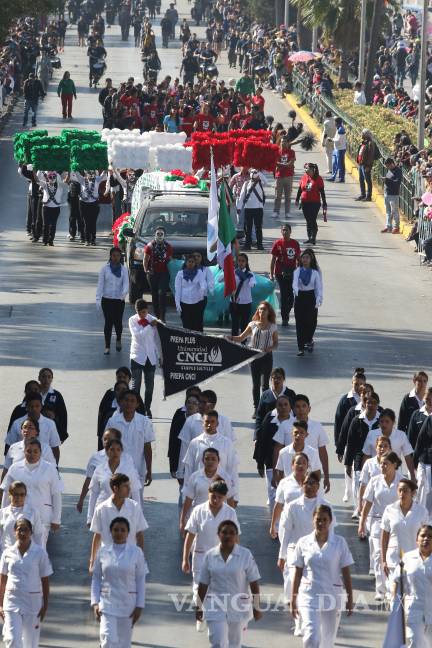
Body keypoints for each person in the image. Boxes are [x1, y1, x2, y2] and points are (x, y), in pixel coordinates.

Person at [291, 505, 353, 648]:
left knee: (327, 641)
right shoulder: (303, 542)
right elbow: (298, 572)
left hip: (332, 596)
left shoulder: (339, 542)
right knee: (311, 638)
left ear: (330, 521)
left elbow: (346, 572)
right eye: (318, 519)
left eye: (325, 520)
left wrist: (350, 598)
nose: (321, 523)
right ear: (313, 520)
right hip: (309, 596)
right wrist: (293, 599)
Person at [196, 520, 262, 644]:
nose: (228, 536)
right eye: (224, 532)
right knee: (218, 641)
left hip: (238, 607)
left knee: (234, 643)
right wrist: (199, 607)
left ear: (236, 536)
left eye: (232, 533)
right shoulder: (209, 556)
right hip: (215, 607)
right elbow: (203, 583)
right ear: (218, 534)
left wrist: (257, 607)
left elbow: (254, 582)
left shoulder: (245, 555)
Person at [91, 517, 148, 648]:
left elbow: (140, 579)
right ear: (110, 532)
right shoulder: (103, 552)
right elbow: (96, 578)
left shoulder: (136, 552)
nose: (119, 533)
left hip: (127, 605)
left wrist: (140, 605)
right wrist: (95, 603)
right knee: (107, 640)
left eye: (123, 530)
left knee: (123, 643)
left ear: (128, 533)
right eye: (116, 530)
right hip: (107, 603)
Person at [182, 481, 240, 606]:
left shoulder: (230, 512)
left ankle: (213, 621)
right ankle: (200, 617)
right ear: (208, 493)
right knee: (199, 590)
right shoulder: (198, 510)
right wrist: (185, 558)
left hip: (222, 558)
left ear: (225, 497)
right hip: (201, 556)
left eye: (220, 497)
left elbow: (235, 537)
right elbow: (190, 535)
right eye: (213, 496)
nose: (216, 499)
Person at [1, 439, 62, 549]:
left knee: (38, 550)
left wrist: (56, 519)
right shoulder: (14, 468)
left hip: (42, 516)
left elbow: (56, 494)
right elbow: (6, 493)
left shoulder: (50, 469)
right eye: (29, 451)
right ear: (24, 452)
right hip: (18, 517)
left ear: (40, 452)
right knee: (14, 550)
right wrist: (3, 514)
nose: (32, 454)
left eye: (35, 451)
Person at [0, 518, 52, 647]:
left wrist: (45, 604)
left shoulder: (40, 553)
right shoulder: (7, 553)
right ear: (14, 532)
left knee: (30, 643)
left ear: (31, 532)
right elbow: (2, 580)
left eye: (26, 530)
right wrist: (0, 604)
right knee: (12, 640)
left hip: (33, 603)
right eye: (19, 529)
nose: (22, 533)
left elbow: (45, 580)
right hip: (12, 601)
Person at [358, 452, 401, 600]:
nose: (382, 466)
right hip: (377, 522)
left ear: (394, 465)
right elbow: (367, 503)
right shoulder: (375, 481)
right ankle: (380, 589)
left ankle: (391, 588)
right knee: (378, 555)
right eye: (381, 463)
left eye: (385, 463)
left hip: (396, 524)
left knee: (391, 555)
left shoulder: (402, 482)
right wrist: (362, 523)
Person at [228, 301, 278, 417]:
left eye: (264, 309)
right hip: (254, 357)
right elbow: (241, 338)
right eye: (260, 309)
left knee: (265, 384)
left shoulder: (273, 326)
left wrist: (269, 348)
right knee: (256, 384)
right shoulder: (252, 325)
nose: (262, 311)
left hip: (267, 357)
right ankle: (256, 408)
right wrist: (228, 338)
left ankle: (265, 407)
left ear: (268, 312)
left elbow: (276, 344)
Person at [90, 474, 148, 570]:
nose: (129, 489)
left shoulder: (135, 507)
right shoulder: (101, 509)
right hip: (107, 562)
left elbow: (139, 534)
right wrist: (92, 561)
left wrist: (140, 559)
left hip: (130, 561)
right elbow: (97, 536)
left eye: (129, 485)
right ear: (115, 488)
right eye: (125, 486)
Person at [381, 479, 429, 585]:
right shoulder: (389, 510)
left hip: (415, 561)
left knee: (411, 596)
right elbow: (384, 536)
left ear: (413, 493)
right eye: (400, 490)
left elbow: (428, 537)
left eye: (405, 491)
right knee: (393, 596)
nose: (402, 493)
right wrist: (383, 560)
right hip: (393, 560)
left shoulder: (422, 511)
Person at [392, 525, 432, 648]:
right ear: (417, 539)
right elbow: (397, 580)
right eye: (423, 535)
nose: (426, 539)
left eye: (430, 536)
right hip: (414, 610)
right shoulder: (408, 557)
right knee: (415, 643)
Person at [106, 390, 155, 489]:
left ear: (137, 404)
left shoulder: (144, 422)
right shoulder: (113, 421)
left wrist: (149, 470)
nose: (129, 403)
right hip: (117, 471)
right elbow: (107, 446)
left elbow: (147, 447)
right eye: (126, 400)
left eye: (132, 401)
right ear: (121, 402)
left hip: (137, 470)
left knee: (136, 503)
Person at [180, 449, 236, 534]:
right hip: (198, 520)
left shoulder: (226, 478)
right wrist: (182, 521)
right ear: (203, 460)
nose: (210, 461)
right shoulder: (194, 477)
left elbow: (230, 500)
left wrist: (232, 522)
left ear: (218, 461)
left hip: (219, 521)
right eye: (207, 458)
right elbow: (188, 500)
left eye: (213, 459)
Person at [253, 395, 295, 509]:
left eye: (286, 404)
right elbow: (262, 442)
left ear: (291, 407)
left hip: (290, 466)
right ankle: (274, 522)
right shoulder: (269, 420)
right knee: (273, 495)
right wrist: (260, 463)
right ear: (276, 407)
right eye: (280, 405)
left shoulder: (295, 424)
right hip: (271, 464)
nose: (283, 407)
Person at [87, 439, 142, 523]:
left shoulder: (129, 469)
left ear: (121, 452)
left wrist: (138, 517)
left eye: (118, 449)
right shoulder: (99, 469)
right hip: (103, 513)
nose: (115, 452)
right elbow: (94, 493)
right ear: (107, 451)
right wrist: (90, 518)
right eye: (112, 449)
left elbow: (135, 493)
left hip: (124, 513)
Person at [6, 392, 61, 463]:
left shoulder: (50, 424)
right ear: (26, 407)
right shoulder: (17, 423)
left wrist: (55, 467)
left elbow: (55, 448)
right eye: (31, 406)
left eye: (37, 406)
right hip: (21, 464)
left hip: (43, 466)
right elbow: (9, 445)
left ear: (41, 406)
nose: (34, 409)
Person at [362, 408, 415, 480]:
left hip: (396, 476)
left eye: (387, 421)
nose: (384, 424)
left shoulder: (401, 435)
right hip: (375, 474)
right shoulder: (371, 434)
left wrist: (412, 475)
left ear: (393, 422)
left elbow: (408, 456)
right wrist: (363, 476)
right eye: (382, 421)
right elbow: (366, 456)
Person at [128, 299, 159, 417]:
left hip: (150, 357)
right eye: (140, 313)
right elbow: (137, 335)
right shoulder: (132, 320)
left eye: (144, 312)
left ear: (147, 310)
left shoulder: (152, 319)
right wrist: (149, 326)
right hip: (137, 355)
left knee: (150, 385)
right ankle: (134, 409)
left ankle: (147, 408)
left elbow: (157, 338)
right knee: (136, 386)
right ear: (137, 312)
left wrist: (160, 355)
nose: (143, 315)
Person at [96, 247, 129, 355]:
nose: (116, 258)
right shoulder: (104, 269)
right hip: (107, 299)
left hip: (119, 300)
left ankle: (118, 339)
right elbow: (100, 285)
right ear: (110, 256)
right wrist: (98, 298)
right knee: (108, 323)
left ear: (120, 257)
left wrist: (123, 294)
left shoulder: (124, 269)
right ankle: (107, 346)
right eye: (114, 256)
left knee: (118, 322)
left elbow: (126, 284)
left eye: (118, 256)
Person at [269, 452, 309, 541]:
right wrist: (273, 526)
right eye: (298, 463)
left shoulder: (312, 483)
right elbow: (278, 505)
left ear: (307, 466)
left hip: (307, 527)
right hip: (288, 526)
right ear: (292, 465)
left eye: (304, 463)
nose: (301, 466)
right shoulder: (284, 482)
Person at [293, 249, 323, 356]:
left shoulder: (315, 272)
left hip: (311, 297)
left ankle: (309, 339)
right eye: (303, 258)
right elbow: (295, 283)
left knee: (311, 321)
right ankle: (300, 347)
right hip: (300, 297)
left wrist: (319, 298)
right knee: (299, 322)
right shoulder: (297, 271)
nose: (305, 260)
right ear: (300, 259)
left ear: (311, 260)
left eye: (307, 258)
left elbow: (318, 287)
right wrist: (296, 290)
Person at [270, 224, 301, 327]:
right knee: (283, 294)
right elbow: (273, 260)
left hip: (292, 272)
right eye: (283, 230)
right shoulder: (277, 243)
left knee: (291, 296)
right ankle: (284, 318)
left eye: (287, 230)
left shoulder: (295, 243)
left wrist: (299, 272)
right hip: (280, 272)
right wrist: (271, 274)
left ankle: (286, 312)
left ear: (290, 231)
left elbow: (298, 259)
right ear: (281, 231)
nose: (285, 232)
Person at [0, 481, 43, 550]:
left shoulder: (33, 512)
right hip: (7, 556)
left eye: (22, 494)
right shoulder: (2, 513)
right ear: (9, 495)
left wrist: (39, 556)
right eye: (15, 494)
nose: (18, 497)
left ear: (25, 495)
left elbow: (38, 536)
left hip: (28, 555)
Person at [143, 226, 173, 322]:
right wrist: (146, 270)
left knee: (162, 293)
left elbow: (170, 260)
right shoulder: (149, 246)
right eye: (158, 234)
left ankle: (162, 316)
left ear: (164, 235)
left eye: (161, 234)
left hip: (164, 273)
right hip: (152, 273)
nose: (159, 236)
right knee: (154, 294)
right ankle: (157, 315)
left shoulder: (168, 247)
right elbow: (145, 259)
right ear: (155, 235)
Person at [70, 170, 107, 246]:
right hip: (84, 204)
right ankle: (87, 240)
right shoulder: (82, 179)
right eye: (89, 173)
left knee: (93, 222)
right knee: (86, 222)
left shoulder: (97, 179)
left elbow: (104, 173)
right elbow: (76, 172)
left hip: (94, 204)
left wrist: (107, 165)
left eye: (92, 173)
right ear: (86, 174)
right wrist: (74, 165)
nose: (91, 175)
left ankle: (93, 239)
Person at [295, 163, 327, 246]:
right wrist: (297, 199)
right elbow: (300, 189)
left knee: (312, 219)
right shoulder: (304, 177)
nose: (306, 170)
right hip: (305, 202)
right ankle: (309, 237)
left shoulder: (318, 179)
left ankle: (313, 237)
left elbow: (322, 192)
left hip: (315, 203)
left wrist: (324, 203)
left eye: (308, 169)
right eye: (305, 169)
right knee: (308, 220)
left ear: (313, 170)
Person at [35, 171, 68, 247]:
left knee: (53, 225)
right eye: (50, 177)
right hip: (46, 208)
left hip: (55, 209)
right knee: (45, 225)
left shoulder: (60, 185)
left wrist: (69, 172)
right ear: (48, 178)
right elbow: (36, 180)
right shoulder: (45, 184)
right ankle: (45, 241)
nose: (52, 179)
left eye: (54, 177)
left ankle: (51, 241)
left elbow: (66, 181)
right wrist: (34, 170)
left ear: (56, 178)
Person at [174, 254, 207, 332]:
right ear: (185, 262)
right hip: (184, 303)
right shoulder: (180, 274)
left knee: (197, 325)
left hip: (197, 302)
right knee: (187, 326)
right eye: (189, 261)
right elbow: (177, 289)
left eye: (193, 262)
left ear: (195, 263)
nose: (191, 263)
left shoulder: (199, 273)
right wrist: (177, 303)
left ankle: (198, 342)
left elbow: (203, 283)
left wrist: (202, 289)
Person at [38, 368, 68, 443]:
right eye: (43, 376)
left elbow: (63, 415)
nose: (46, 379)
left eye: (49, 377)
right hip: (35, 431)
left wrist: (62, 434)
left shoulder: (56, 395)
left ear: (52, 379)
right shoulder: (34, 393)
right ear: (39, 378)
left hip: (51, 431)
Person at [229, 253, 256, 337]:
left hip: (246, 302)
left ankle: (243, 345)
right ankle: (233, 344)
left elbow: (253, 283)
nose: (241, 263)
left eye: (243, 261)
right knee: (234, 325)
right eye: (239, 261)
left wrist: (250, 281)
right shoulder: (234, 272)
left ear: (246, 262)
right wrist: (228, 272)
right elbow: (219, 280)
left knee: (244, 325)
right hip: (234, 302)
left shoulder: (250, 274)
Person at [239, 169, 266, 250]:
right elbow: (242, 195)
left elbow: (266, 181)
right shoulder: (246, 183)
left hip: (258, 208)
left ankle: (259, 244)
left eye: (255, 172)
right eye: (252, 172)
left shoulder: (261, 183)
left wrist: (260, 173)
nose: (253, 174)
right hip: (248, 208)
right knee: (248, 228)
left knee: (258, 228)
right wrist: (239, 207)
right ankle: (248, 244)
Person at [273, 135, 296, 220]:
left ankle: (287, 212)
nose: (283, 143)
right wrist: (286, 165)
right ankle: (276, 211)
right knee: (277, 196)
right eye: (282, 141)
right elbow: (275, 163)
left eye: (285, 142)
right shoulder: (277, 152)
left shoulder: (292, 152)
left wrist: (281, 165)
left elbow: (291, 163)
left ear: (288, 143)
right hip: (279, 176)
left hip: (289, 177)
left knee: (288, 196)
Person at [381, 157, 403, 234]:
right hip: (387, 193)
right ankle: (388, 226)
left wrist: (387, 180)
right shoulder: (390, 170)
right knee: (388, 211)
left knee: (394, 211)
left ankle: (396, 227)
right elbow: (388, 180)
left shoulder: (398, 171)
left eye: (388, 166)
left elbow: (397, 183)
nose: (387, 168)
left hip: (393, 194)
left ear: (392, 164)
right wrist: (385, 180)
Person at [355, 129, 375, 202]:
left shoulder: (370, 143)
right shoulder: (364, 142)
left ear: (366, 135)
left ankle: (368, 196)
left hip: (366, 165)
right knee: (361, 180)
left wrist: (368, 166)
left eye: (363, 133)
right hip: (361, 164)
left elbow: (370, 156)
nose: (361, 135)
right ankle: (362, 194)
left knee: (368, 180)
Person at [327, 117, 346, 183]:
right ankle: (333, 176)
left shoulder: (341, 130)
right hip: (337, 149)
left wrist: (332, 139)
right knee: (334, 163)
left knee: (340, 164)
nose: (334, 123)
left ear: (337, 122)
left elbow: (339, 140)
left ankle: (341, 178)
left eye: (334, 122)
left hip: (340, 149)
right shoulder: (338, 128)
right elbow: (337, 138)